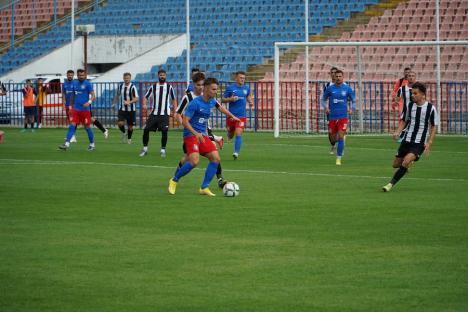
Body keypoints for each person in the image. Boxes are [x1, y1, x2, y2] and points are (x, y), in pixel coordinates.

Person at [168, 77, 240, 196]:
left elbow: (221, 108)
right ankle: (174, 180)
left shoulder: (212, 101)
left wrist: (231, 116)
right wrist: (196, 133)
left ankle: (204, 187)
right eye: (213, 89)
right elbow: (185, 122)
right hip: (191, 135)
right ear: (206, 89)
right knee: (194, 161)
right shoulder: (195, 103)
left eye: (216, 89)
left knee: (215, 158)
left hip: (203, 135)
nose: (215, 91)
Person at [174, 72, 227, 188]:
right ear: (193, 85)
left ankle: (220, 178)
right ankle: (176, 176)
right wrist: (187, 127)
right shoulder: (188, 98)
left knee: (214, 154)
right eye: (198, 85)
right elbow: (178, 114)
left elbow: (219, 107)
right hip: (191, 133)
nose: (201, 87)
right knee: (188, 158)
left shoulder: (209, 97)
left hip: (206, 131)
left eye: (202, 85)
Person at [383, 82, 438, 192]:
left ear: (423, 95)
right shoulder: (410, 105)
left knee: (406, 161)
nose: (412, 95)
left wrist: (429, 142)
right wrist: (397, 132)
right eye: (412, 93)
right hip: (407, 139)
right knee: (395, 164)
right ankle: (408, 163)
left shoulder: (431, 108)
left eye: (415, 93)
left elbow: (433, 126)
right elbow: (404, 121)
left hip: (419, 142)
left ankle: (390, 184)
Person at [321, 70, 356, 165]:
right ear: (334, 77)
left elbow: (354, 100)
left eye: (340, 76)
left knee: (341, 136)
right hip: (332, 117)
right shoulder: (330, 89)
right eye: (337, 76)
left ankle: (338, 158)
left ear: (343, 77)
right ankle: (339, 143)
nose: (338, 78)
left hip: (343, 116)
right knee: (332, 139)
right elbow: (323, 100)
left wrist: (352, 108)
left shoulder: (347, 88)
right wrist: (326, 107)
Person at [140, 69, 177, 158]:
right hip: (154, 113)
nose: (162, 76)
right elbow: (145, 97)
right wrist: (144, 104)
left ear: (166, 76)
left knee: (164, 131)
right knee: (146, 130)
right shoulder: (153, 87)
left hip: (164, 114)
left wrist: (175, 111)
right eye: (161, 75)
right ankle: (145, 149)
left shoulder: (169, 87)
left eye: (163, 75)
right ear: (158, 76)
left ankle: (163, 150)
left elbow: (174, 99)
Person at [58, 69, 96, 151]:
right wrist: (71, 107)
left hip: (85, 111)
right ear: (77, 75)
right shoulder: (74, 83)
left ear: (85, 75)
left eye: (82, 75)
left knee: (87, 127)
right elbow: (73, 96)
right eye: (79, 75)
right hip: (76, 110)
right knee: (72, 125)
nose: (81, 77)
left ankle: (92, 144)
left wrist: (89, 102)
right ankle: (66, 144)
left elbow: (93, 96)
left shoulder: (88, 84)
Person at [221, 71, 253, 160]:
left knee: (238, 133)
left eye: (244, 78)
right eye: (241, 78)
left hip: (241, 116)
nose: (242, 79)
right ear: (236, 78)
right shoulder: (231, 88)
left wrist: (250, 102)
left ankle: (236, 152)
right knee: (231, 134)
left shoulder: (246, 88)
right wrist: (231, 99)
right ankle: (229, 134)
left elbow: (248, 96)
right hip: (231, 116)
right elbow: (222, 100)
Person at [111, 72, 139, 144]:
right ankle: (124, 132)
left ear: (130, 78)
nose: (126, 79)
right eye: (125, 78)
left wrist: (129, 102)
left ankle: (129, 139)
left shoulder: (133, 87)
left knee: (130, 127)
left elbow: (136, 98)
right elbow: (117, 95)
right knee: (120, 123)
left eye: (128, 78)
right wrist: (113, 103)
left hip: (131, 110)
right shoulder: (120, 86)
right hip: (122, 109)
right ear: (123, 78)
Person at [394, 71, 417, 142]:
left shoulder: (418, 88)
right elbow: (397, 99)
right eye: (409, 76)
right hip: (406, 110)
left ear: (415, 77)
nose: (411, 77)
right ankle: (402, 135)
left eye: (413, 76)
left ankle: (402, 135)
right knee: (405, 122)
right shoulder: (402, 89)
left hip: (417, 110)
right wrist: (397, 104)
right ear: (407, 78)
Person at [324, 66, 338, 154]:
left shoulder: (343, 85)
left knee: (340, 130)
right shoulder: (328, 85)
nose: (333, 74)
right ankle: (333, 145)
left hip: (341, 110)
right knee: (330, 131)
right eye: (331, 73)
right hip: (331, 111)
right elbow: (324, 98)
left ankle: (340, 146)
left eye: (335, 73)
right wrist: (326, 107)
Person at [62, 69, 77, 143]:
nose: (70, 76)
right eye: (69, 75)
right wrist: (63, 104)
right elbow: (64, 94)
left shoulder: (76, 83)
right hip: (67, 105)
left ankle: (72, 137)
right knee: (70, 120)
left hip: (74, 105)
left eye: (71, 75)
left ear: (73, 76)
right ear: (67, 75)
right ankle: (72, 136)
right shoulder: (64, 84)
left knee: (72, 121)